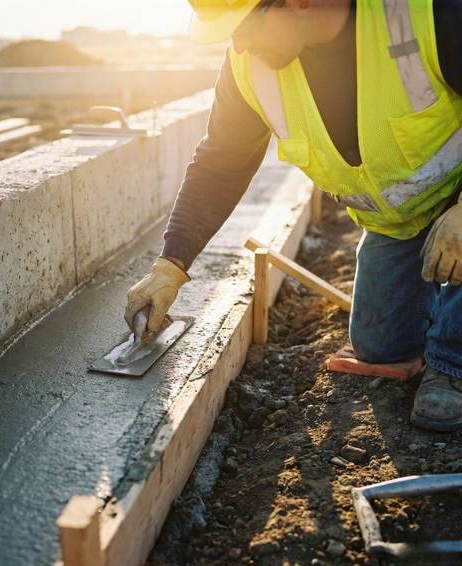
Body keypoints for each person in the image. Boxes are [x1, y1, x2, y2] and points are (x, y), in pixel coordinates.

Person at [125, 0, 462, 432]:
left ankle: (451, 363)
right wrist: (170, 265)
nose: (240, 44)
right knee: (380, 347)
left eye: (245, 26)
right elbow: (220, 164)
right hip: (400, 225)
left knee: (452, 346)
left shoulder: (427, 15)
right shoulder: (249, 67)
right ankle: (445, 297)